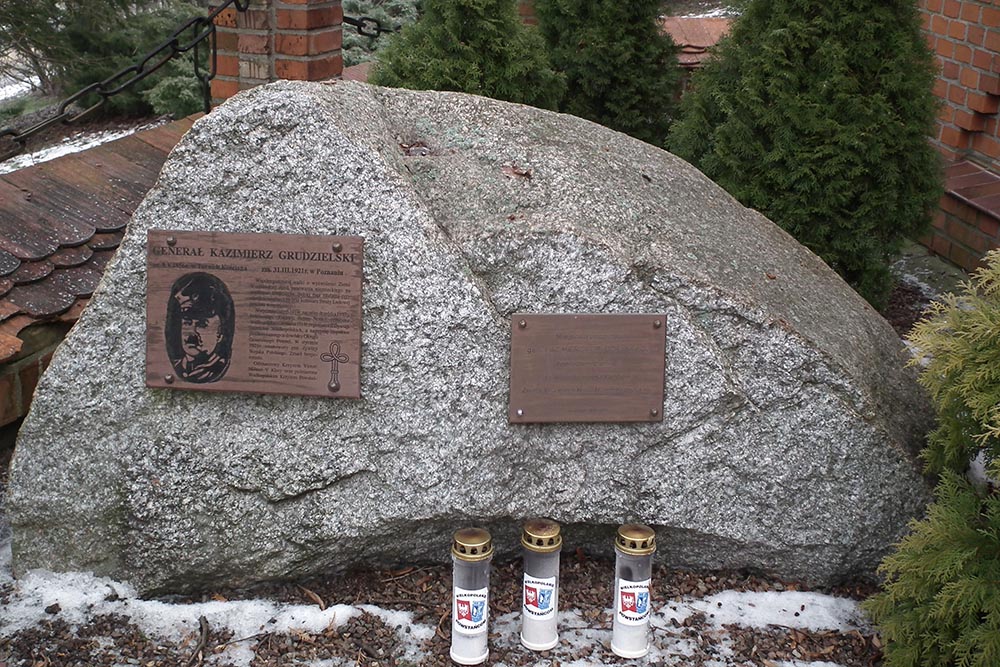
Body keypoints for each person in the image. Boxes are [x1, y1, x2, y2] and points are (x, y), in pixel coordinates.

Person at [165, 272, 235, 383]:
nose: (192, 333)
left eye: (202, 324)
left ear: (220, 332)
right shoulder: (179, 366)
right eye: (187, 323)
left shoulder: (217, 369)